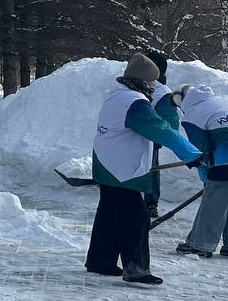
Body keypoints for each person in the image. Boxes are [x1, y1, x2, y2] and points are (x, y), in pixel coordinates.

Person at [85, 54, 201, 287]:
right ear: (142, 81)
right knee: (135, 217)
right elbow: (161, 130)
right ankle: (136, 270)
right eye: (151, 82)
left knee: (109, 214)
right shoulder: (135, 102)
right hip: (119, 167)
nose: (153, 86)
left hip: (107, 161)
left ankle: (100, 261)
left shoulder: (119, 93)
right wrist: (192, 154)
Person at [175, 85, 228, 259]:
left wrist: (206, 176)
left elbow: (199, 151)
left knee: (214, 202)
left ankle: (200, 244)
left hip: (224, 161)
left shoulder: (193, 115)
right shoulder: (221, 101)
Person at [143, 51, 182, 218]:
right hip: (133, 136)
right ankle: (145, 202)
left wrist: (157, 132)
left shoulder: (163, 93)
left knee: (150, 169)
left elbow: (172, 123)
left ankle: (150, 203)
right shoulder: (137, 85)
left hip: (150, 139)